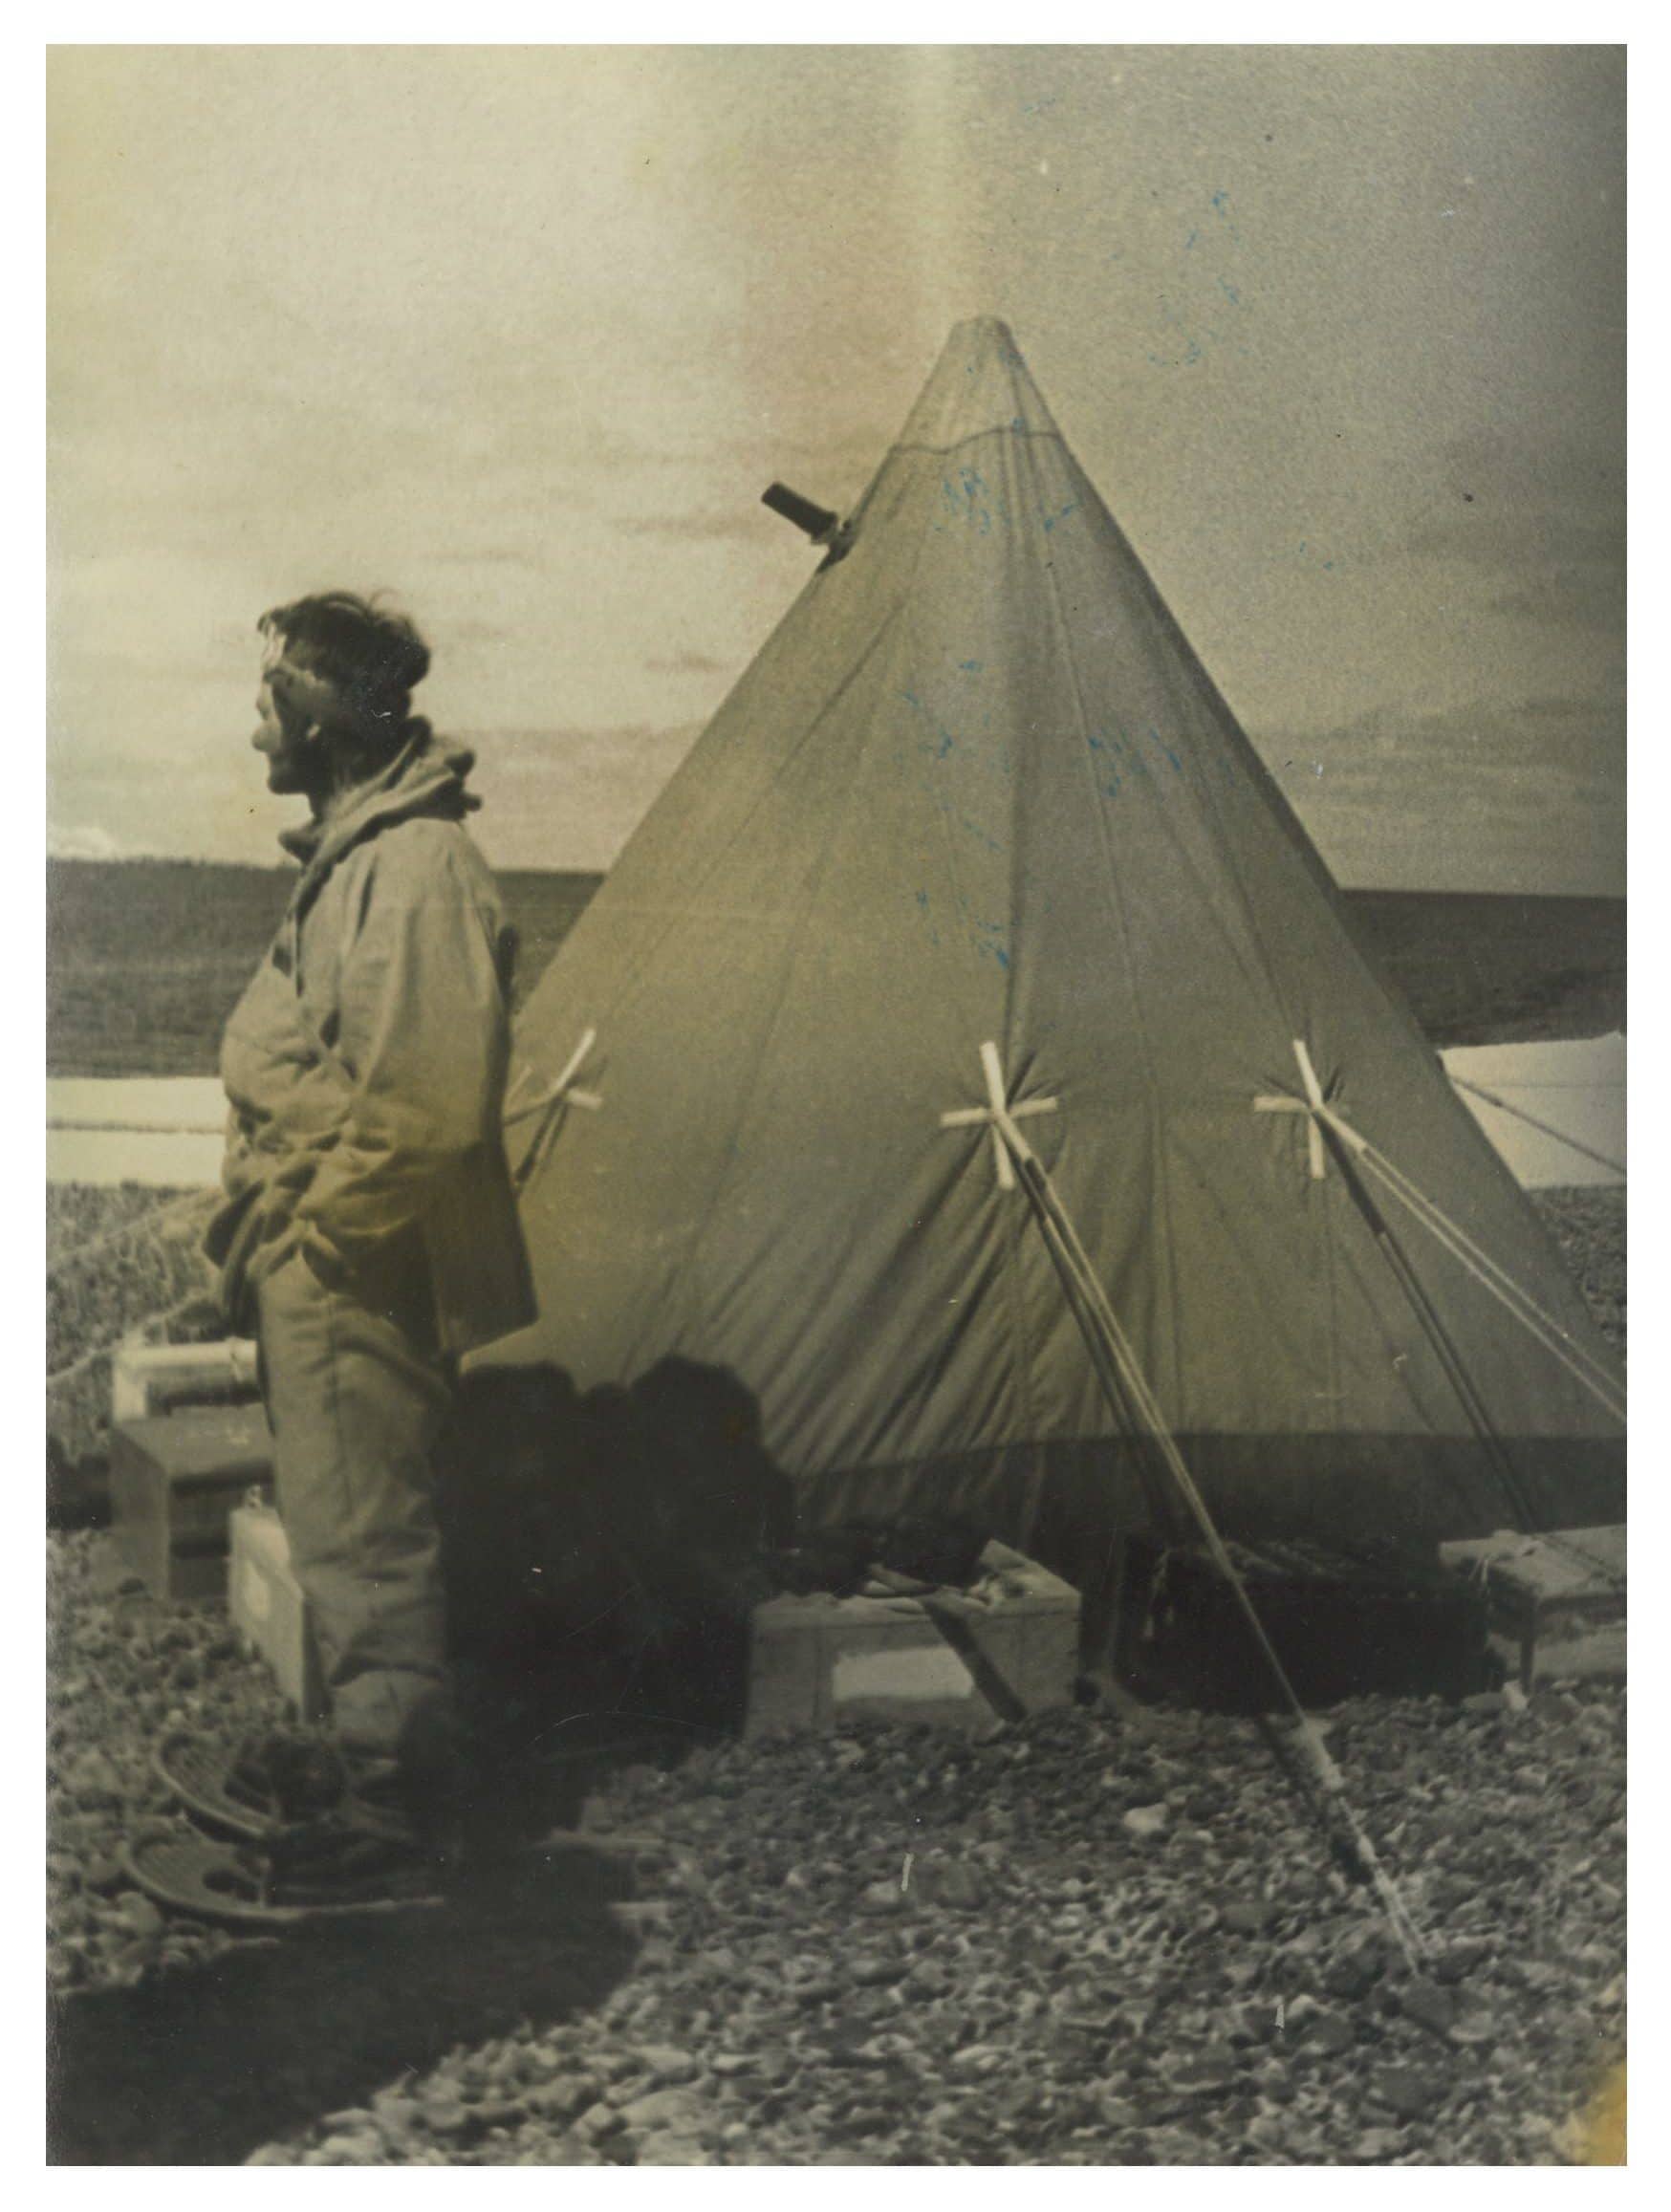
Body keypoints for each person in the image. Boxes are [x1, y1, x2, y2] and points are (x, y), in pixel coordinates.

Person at [204, 592, 535, 1896]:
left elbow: (429, 1103)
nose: (253, 734)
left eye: (266, 703)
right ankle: (374, 1762)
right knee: (350, 1525)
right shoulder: (371, 852)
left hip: (357, 1264)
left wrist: (315, 1233)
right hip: (335, 1255)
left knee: (362, 1537)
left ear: (319, 718)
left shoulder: (412, 869)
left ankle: (395, 1820)